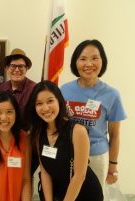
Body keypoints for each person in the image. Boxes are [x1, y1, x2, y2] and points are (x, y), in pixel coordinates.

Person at [60, 39, 127, 196]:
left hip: (96, 157)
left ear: (102, 61)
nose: (88, 64)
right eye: (83, 59)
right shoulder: (64, 90)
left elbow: (115, 134)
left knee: (95, 196)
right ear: (75, 62)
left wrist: (113, 165)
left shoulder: (112, 94)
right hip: (69, 155)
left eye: (94, 58)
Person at [27, 80, 103, 200]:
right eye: (39, 103)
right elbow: (45, 172)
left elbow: (79, 176)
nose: (45, 108)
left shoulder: (77, 131)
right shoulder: (37, 132)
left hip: (83, 192)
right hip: (58, 191)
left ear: (59, 101)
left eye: (50, 101)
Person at [0, 48, 38, 176]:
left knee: (25, 178)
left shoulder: (34, 89)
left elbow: (38, 118)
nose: (17, 69)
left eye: (21, 66)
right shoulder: (2, 88)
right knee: (7, 177)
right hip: (5, 142)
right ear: (7, 68)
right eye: (13, 66)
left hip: (26, 144)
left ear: (26, 69)